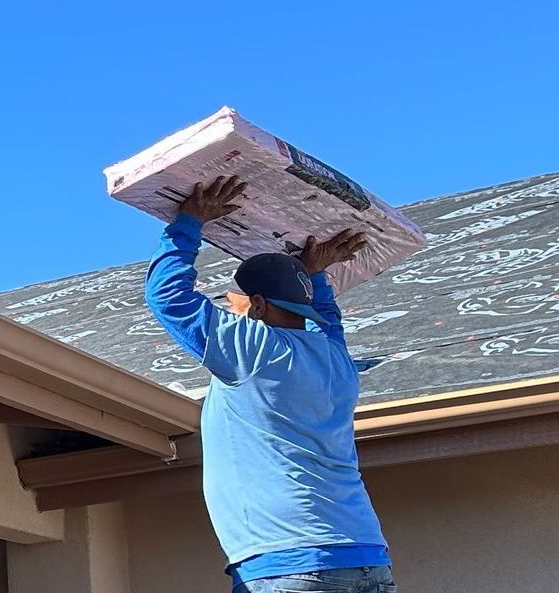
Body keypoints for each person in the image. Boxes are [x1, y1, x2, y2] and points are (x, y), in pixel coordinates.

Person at [145, 175, 397, 593]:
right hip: (367, 555)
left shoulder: (253, 347)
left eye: (237, 299)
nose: (230, 306)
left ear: (258, 305)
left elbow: (169, 297)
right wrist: (312, 275)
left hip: (289, 562)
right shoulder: (336, 359)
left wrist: (189, 222)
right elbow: (329, 321)